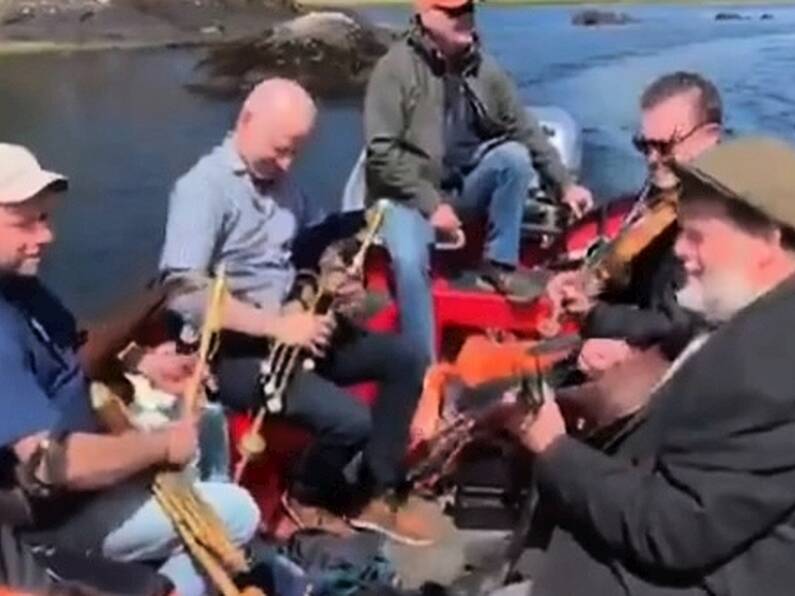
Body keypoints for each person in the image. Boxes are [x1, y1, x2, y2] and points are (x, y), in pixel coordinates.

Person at [509, 136, 795, 595]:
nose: (680, 250)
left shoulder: (772, 364)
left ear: (769, 241)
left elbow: (674, 531)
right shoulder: (756, 314)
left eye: (697, 235)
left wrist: (553, 448)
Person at [159, 78, 435, 545]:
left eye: (295, 153)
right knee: (351, 421)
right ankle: (304, 498)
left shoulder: (283, 184)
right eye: (280, 149)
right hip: (235, 352)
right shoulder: (201, 189)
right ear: (247, 120)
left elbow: (316, 243)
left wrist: (333, 276)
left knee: (406, 357)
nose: (287, 164)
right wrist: (277, 325)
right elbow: (183, 291)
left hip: (296, 326)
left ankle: (375, 490)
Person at [0, 143, 260, 596]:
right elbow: (53, 465)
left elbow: (70, 347)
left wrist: (144, 361)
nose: (46, 236)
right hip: (53, 517)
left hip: (85, 475)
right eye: (25, 223)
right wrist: (157, 447)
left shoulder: (20, 287)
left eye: (45, 218)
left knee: (206, 429)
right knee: (240, 512)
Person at [363, 0, 593, 362]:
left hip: (459, 187)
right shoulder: (394, 70)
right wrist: (430, 205)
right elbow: (381, 154)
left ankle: (498, 268)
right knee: (408, 262)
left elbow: (524, 127)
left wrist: (564, 184)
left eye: (469, 8)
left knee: (512, 158)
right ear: (425, 15)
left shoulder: (484, 68)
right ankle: (422, 368)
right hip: (406, 196)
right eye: (453, 11)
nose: (465, 17)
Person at [551, 72, 722, 377]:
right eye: (644, 146)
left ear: (709, 137)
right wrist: (581, 285)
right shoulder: (664, 201)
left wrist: (595, 315)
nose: (652, 159)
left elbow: (680, 323)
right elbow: (642, 281)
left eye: (665, 146)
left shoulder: (722, 220)